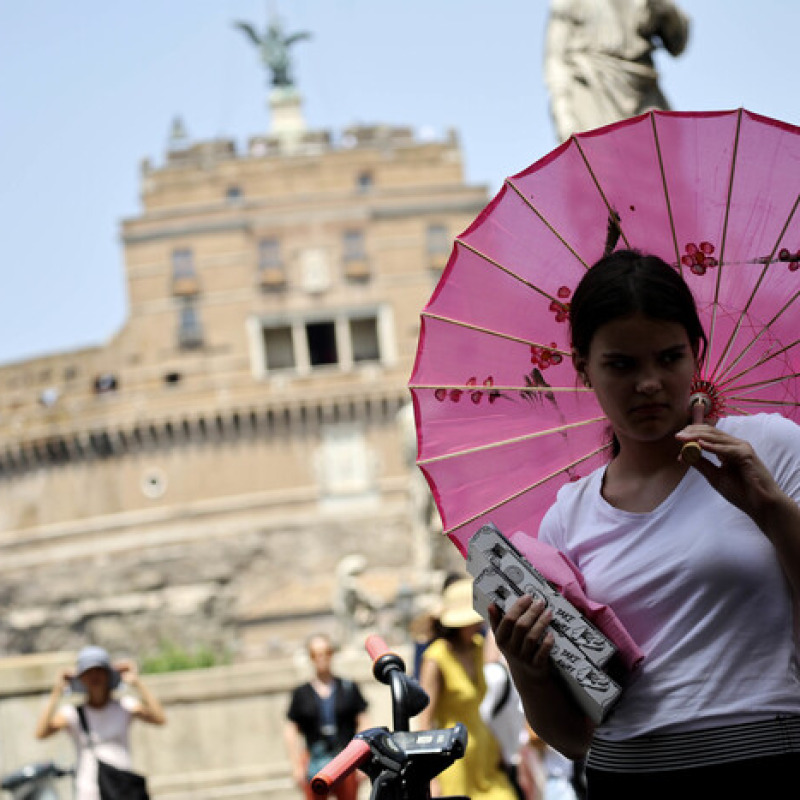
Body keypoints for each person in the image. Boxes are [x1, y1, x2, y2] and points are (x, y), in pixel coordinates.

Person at [491, 249, 800, 798]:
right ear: (583, 366)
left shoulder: (771, 449)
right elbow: (573, 736)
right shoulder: (568, 516)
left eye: (669, 357)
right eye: (622, 365)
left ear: (696, 353)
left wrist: (769, 507)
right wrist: (526, 664)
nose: (650, 383)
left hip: (772, 756)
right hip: (627, 777)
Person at [418, 578, 517, 800]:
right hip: (453, 762)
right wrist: (429, 777)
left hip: (486, 753)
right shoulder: (436, 658)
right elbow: (424, 721)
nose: (480, 624)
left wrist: (499, 745)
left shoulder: (478, 648)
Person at [544, 0, 690, 142]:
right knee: (598, 160)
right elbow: (555, 58)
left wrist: (661, 5)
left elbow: (678, 43)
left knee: (666, 151)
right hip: (593, 90)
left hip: (643, 88)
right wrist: (562, 111)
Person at [35, 645, 167, 800]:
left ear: (108, 674)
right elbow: (41, 733)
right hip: (89, 789)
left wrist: (137, 683)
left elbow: (159, 718)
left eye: (99, 670)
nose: (94, 677)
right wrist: (57, 691)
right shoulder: (73, 713)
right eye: (88, 672)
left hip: (122, 785)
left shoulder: (124, 706)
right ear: (81, 678)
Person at [284, 633, 369, 800]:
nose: (322, 658)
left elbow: (364, 722)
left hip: (345, 756)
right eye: (316, 654)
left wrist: (362, 761)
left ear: (332, 654)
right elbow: (290, 730)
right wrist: (296, 766)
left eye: (326, 653)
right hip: (314, 758)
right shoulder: (301, 693)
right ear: (311, 657)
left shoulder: (348, 687)